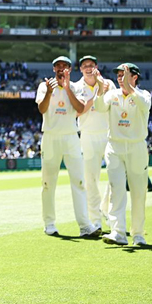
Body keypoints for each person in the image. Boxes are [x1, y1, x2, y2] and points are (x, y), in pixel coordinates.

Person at [36, 56, 99, 238]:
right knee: (48, 183)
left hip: (71, 137)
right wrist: (49, 91)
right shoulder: (44, 86)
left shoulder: (76, 87)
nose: (60, 69)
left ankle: (85, 225)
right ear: (53, 68)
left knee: (79, 182)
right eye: (57, 66)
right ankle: (49, 224)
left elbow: (79, 107)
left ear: (70, 69)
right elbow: (42, 109)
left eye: (64, 66)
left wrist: (68, 86)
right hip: (51, 137)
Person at [95, 63, 151, 246]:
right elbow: (99, 108)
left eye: (124, 75)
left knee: (138, 192)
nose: (120, 79)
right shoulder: (112, 95)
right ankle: (118, 232)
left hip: (137, 147)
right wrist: (99, 90)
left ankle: (138, 235)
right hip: (114, 147)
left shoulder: (144, 95)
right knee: (116, 190)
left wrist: (130, 87)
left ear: (135, 77)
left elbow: (143, 104)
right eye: (118, 76)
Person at [75, 55, 115, 230]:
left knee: (115, 176)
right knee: (90, 180)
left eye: (91, 65)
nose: (88, 68)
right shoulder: (76, 87)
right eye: (85, 66)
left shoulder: (109, 84)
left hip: (108, 134)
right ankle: (96, 221)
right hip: (88, 135)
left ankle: (105, 209)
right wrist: (99, 91)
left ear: (97, 66)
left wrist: (103, 87)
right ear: (81, 69)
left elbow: (115, 106)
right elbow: (78, 112)